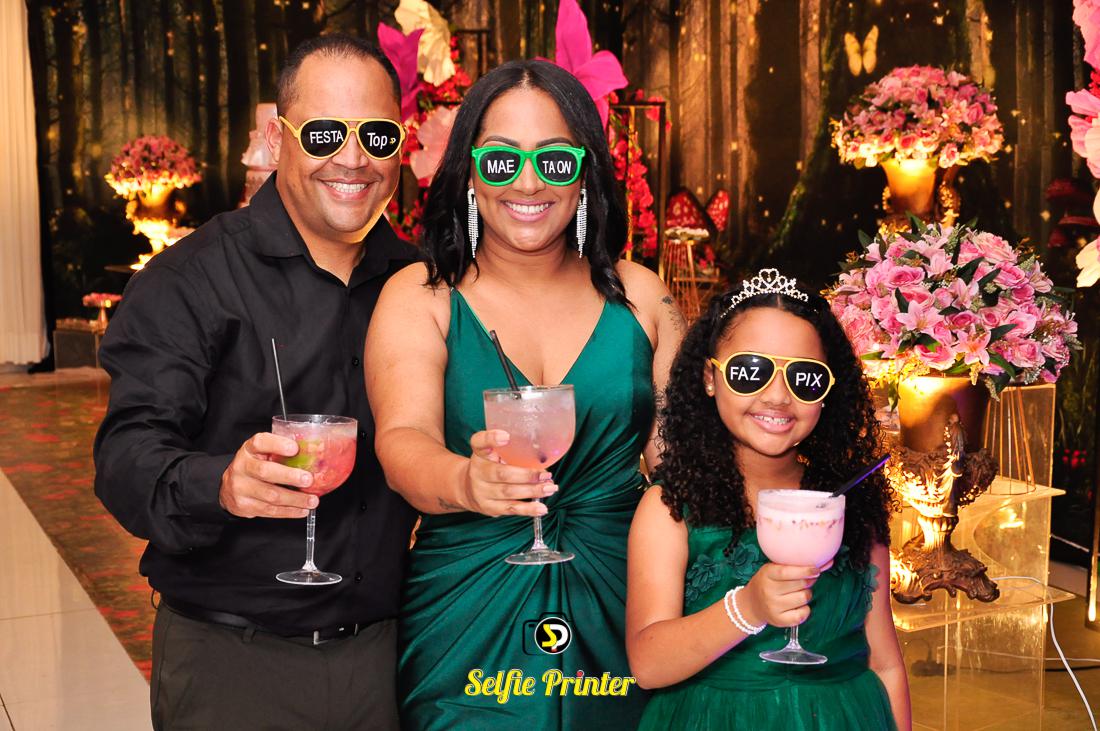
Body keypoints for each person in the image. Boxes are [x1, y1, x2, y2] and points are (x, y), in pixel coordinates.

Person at [93, 34, 416, 730]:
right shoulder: (192, 279)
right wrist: (220, 484)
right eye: (324, 134)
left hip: (389, 658)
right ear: (277, 140)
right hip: (231, 661)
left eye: (377, 135)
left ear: (401, 145)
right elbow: (125, 458)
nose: (353, 158)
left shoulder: (420, 283)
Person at [364, 59, 684, 729]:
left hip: (628, 598)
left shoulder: (643, 297)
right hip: (468, 609)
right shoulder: (420, 298)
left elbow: (680, 464)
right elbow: (401, 442)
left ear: (585, 175)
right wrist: (465, 479)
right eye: (502, 160)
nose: (529, 182)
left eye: (555, 161)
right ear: (469, 174)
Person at [626, 269, 912, 730]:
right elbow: (648, 665)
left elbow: (885, 664)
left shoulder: (850, 503)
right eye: (751, 372)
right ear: (710, 378)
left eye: (804, 378)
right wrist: (748, 608)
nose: (777, 396)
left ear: (828, 392)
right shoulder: (670, 508)